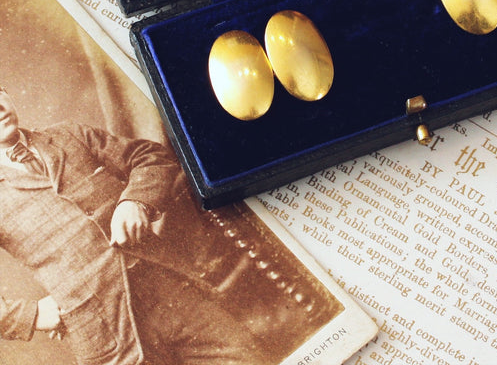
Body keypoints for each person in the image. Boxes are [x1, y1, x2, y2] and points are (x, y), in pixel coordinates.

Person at [0, 85, 324, 365]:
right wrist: (29, 317)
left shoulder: (69, 135)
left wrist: (135, 200)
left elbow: (148, 156)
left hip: (174, 293)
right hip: (107, 333)